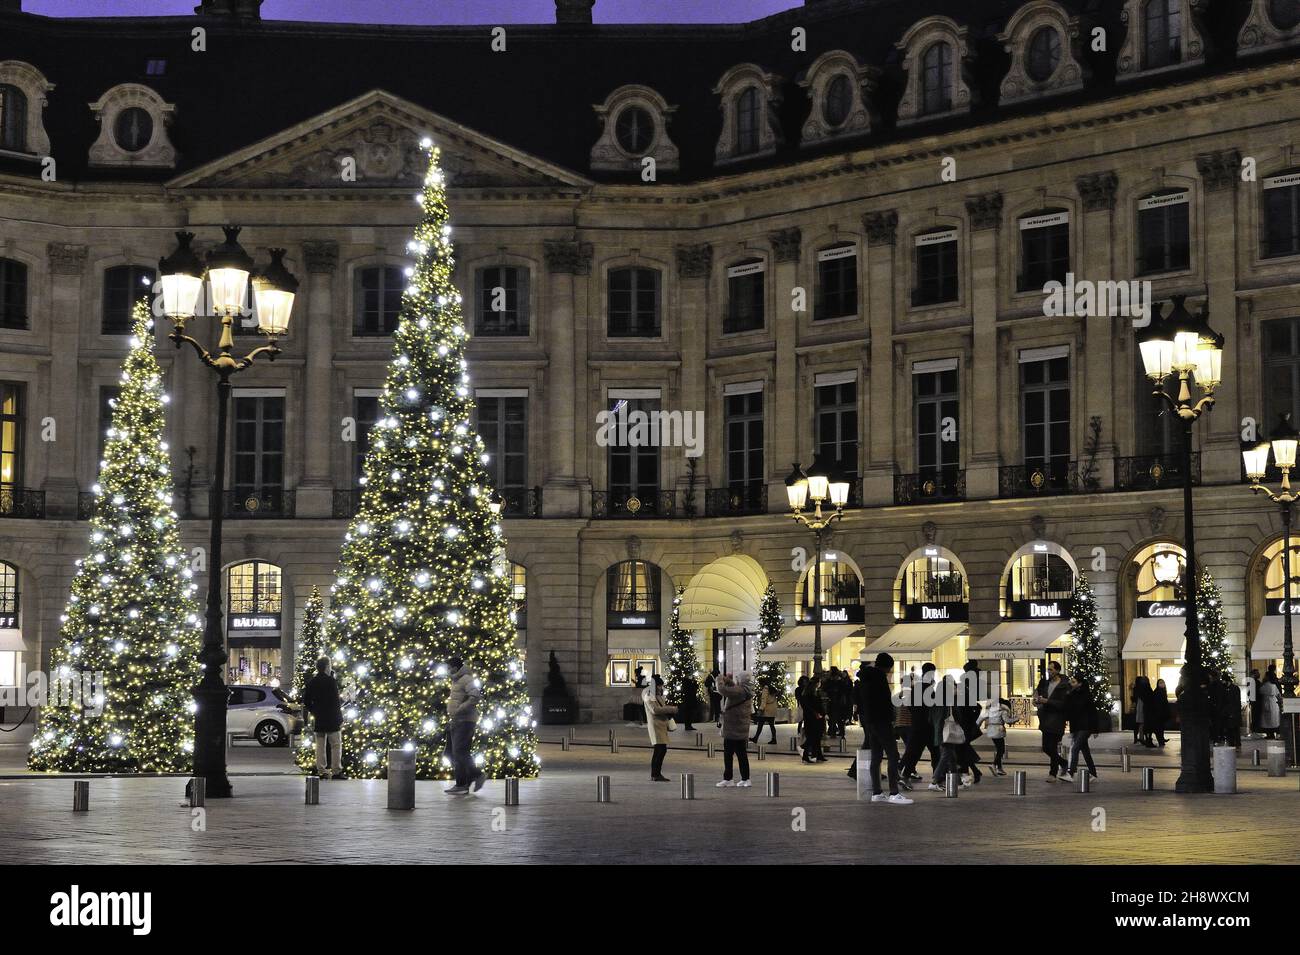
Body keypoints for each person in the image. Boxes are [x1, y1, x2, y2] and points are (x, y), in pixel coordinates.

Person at [860, 652, 912, 804]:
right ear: (886, 666)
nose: (890, 672)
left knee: (876, 757)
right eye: (890, 668)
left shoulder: (865, 678)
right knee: (893, 755)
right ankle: (894, 792)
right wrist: (891, 719)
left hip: (870, 721)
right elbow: (884, 701)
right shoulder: (879, 678)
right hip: (882, 721)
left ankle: (877, 792)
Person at [445, 656, 486, 795]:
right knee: (451, 752)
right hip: (456, 720)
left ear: (455, 668)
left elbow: (475, 696)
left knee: (459, 752)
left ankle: (472, 777)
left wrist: (460, 709)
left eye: (449, 667)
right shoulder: (456, 679)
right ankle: (465, 781)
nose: (447, 670)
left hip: (465, 720)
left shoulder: (466, 679)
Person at [302, 656, 344, 780]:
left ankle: (322, 770)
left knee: (320, 745)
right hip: (331, 717)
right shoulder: (331, 681)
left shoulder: (312, 682)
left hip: (319, 718)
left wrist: (314, 711)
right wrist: (340, 718)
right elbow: (336, 702)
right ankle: (336, 770)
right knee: (335, 745)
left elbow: (307, 701)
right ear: (326, 666)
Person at [900, 662, 939, 781]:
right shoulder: (929, 688)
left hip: (917, 724)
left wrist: (916, 716)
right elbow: (934, 707)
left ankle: (905, 774)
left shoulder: (917, 687)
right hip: (928, 726)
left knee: (914, 752)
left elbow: (910, 705)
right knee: (935, 752)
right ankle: (937, 778)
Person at [928, 675, 966, 792]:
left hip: (940, 733)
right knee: (946, 757)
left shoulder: (935, 702)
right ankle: (934, 781)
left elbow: (930, 719)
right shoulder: (949, 703)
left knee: (951, 757)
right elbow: (958, 718)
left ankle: (957, 781)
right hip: (947, 734)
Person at [1034, 660, 1070, 782]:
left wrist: (1047, 701)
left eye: (1051, 669)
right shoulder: (1045, 683)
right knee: (1046, 747)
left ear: (1058, 670)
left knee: (1052, 747)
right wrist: (1037, 700)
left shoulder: (1064, 685)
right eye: (1048, 669)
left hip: (1057, 719)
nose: (1049, 672)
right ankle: (1064, 763)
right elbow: (1037, 693)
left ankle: (1052, 774)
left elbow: (1064, 704)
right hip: (1045, 718)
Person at [717, 673, 753, 787]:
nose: (736, 681)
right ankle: (745, 778)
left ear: (741, 680)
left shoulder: (739, 691)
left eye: (738, 679)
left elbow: (722, 690)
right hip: (739, 727)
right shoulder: (745, 690)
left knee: (729, 755)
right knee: (741, 755)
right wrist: (729, 681)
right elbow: (734, 688)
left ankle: (729, 779)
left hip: (733, 728)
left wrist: (720, 680)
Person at [1061, 673, 1098, 781]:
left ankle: (1071, 773)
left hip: (1086, 726)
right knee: (1085, 751)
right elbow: (1070, 712)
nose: (1071, 684)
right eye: (1071, 682)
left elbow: (1092, 712)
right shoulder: (1071, 694)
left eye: (1073, 682)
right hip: (1077, 726)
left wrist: (1095, 729)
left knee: (1075, 748)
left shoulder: (1086, 695)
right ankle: (1093, 773)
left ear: (1080, 683)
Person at [643, 673, 678, 781]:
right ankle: (655, 774)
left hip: (660, 724)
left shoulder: (656, 695)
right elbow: (655, 710)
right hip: (656, 725)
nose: (661, 688)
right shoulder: (649, 695)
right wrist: (671, 709)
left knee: (661, 750)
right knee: (659, 750)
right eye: (659, 686)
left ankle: (656, 774)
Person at [955, 660, 983, 784]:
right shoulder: (970, 685)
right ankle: (972, 771)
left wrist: (970, 719)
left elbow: (976, 707)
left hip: (964, 723)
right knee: (963, 747)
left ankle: (966, 772)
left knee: (962, 747)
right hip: (965, 722)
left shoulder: (967, 686)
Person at [978, 695, 1017, 776]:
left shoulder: (990, 710)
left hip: (991, 731)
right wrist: (1016, 719)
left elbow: (980, 718)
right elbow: (1008, 721)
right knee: (1001, 750)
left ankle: (999, 767)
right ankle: (996, 765)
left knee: (999, 749)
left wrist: (976, 726)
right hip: (998, 731)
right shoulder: (1003, 711)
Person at [801, 674, 828, 763]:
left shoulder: (812, 693)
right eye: (819, 682)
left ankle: (816, 755)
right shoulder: (810, 695)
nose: (820, 683)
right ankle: (803, 748)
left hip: (814, 717)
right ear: (816, 683)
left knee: (816, 737)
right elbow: (812, 707)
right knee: (813, 736)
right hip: (813, 718)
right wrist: (818, 713)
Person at [751, 679, 779, 744]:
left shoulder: (765, 690)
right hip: (772, 709)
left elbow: (764, 700)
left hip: (766, 710)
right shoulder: (772, 689)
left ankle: (756, 738)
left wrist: (761, 709)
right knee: (772, 725)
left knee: (760, 724)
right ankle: (774, 739)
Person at [1259, 670, 1282, 740]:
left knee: (1267, 721)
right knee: (1273, 720)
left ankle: (1269, 734)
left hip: (1266, 703)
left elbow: (1259, 692)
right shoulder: (1274, 686)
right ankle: (1273, 733)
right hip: (1274, 703)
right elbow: (1279, 695)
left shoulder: (1264, 686)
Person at [1147, 678, 1170, 746]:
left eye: (1163, 682)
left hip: (1161, 713)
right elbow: (1157, 704)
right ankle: (1161, 741)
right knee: (1158, 728)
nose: (1162, 684)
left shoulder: (1163, 691)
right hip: (1158, 713)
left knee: (1161, 728)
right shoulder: (1157, 692)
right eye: (1160, 683)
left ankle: (1162, 739)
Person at [1131, 675, 1153, 747]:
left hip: (1140, 708)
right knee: (1142, 723)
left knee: (1140, 723)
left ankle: (1140, 737)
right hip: (1144, 709)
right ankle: (1142, 737)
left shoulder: (1138, 689)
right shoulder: (1145, 689)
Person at [1248, 668, 1263, 738]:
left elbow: (1249, 693)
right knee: (1256, 716)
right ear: (1254, 674)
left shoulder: (1251, 682)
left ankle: (1255, 730)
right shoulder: (1256, 682)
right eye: (1257, 673)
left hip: (1254, 701)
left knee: (1255, 716)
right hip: (1257, 701)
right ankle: (1255, 730)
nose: (1259, 674)